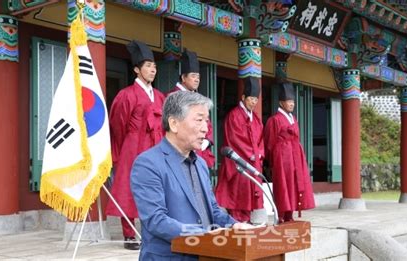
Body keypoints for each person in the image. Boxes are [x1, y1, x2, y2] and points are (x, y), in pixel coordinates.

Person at [131, 91, 250, 260]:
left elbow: (213, 211)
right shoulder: (148, 163)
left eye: (207, 121)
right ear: (173, 124)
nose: (205, 128)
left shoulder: (200, 164)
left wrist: (234, 225)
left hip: (205, 255)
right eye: (199, 120)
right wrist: (204, 235)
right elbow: (156, 220)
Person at [106, 40, 165, 250]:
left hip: (155, 147)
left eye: (154, 66)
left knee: (155, 189)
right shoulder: (126, 95)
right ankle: (129, 234)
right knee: (130, 188)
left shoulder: (159, 97)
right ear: (136, 70)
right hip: (133, 147)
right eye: (148, 66)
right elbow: (118, 125)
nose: (152, 70)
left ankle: (150, 230)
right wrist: (126, 148)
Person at [215, 77, 265, 223]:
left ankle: (246, 219)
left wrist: (259, 153)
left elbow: (261, 138)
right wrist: (250, 154)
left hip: (253, 160)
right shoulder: (234, 115)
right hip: (239, 161)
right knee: (238, 191)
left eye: (256, 99)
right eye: (251, 99)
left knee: (250, 191)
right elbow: (234, 139)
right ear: (243, 97)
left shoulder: (255, 118)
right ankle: (236, 220)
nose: (254, 102)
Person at [263, 82, 315, 223]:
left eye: (292, 101)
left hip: (295, 156)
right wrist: (272, 160)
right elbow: (270, 142)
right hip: (282, 157)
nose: (292, 104)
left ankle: (290, 213)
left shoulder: (294, 119)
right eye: (288, 101)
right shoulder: (274, 120)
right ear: (281, 103)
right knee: (283, 184)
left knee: (294, 183)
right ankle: (281, 214)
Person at [167, 49, 216, 169]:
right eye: (193, 76)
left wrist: (207, 141)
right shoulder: (172, 97)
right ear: (183, 77)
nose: (197, 79)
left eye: (198, 77)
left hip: (200, 151)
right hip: (180, 150)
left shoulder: (199, 98)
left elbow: (207, 124)